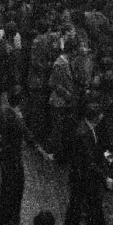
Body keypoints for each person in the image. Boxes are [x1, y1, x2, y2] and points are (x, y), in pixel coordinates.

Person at [0, 86, 51, 225]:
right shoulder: (15, 118)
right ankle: (10, 222)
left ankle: (2, 222)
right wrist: (42, 151)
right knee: (15, 189)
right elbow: (27, 135)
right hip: (13, 157)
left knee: (6, 190)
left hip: (5, 155)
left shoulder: (4, 113)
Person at [64, 98, 109, 225]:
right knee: (82, 205)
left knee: (76, 205)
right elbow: (89, 160)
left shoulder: (86, 128)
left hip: (81, 175)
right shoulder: (85, 133)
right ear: (96, 117)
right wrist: (104, 176)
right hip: (83, 177)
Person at [48, 35, 80, 163]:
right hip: (58, 102)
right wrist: (67, 94)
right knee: (58, 130)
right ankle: (55, 154)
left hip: (65, 102)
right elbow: (53, 83)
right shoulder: (59, 64)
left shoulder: (68, 63)